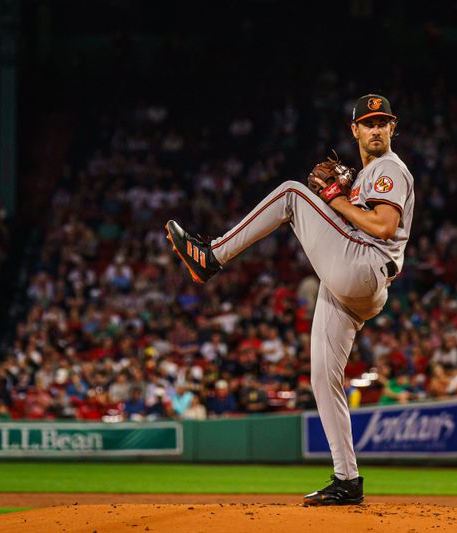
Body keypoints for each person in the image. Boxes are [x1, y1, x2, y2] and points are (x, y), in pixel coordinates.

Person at [166, 94, 413, 506]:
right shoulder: (365, 175)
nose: (375, 129)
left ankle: (211, 256)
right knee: (323, 378)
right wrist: (343, 195)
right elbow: (355, 219)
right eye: (368, 123)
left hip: (365, 267)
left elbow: (384, 226)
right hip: (353, 286)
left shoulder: (390, 168)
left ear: (393, 128)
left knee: (291, 194)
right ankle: (346, 479)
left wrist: (334, 199)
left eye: (382, 123)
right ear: (354, 130)